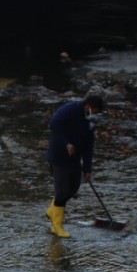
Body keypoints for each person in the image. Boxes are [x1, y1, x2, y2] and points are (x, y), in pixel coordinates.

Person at [44, 92, 105, 238]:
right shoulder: (69, 109)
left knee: (73, 189)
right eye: (95, 110)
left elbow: (89, 145)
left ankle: (52, 211)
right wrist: (67, 143)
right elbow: (54, 124)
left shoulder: (90, 120)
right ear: (89, 106)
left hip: (75, 159)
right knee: (62, 190)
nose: (95, 114)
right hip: (59, 156)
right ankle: (57, 226)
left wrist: (88, 169)